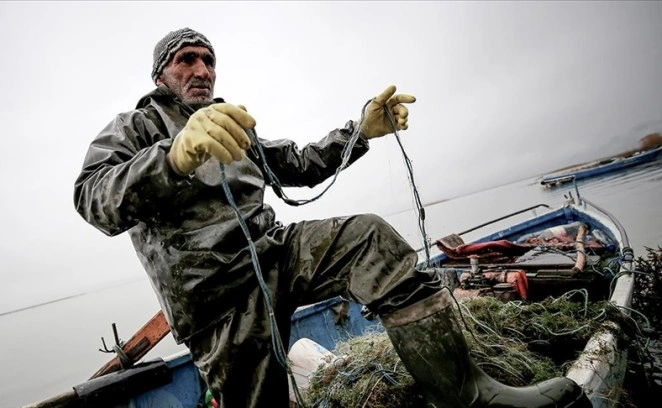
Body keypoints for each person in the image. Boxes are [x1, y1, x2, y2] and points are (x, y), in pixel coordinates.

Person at [74, 28, 591, 408]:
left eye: (209, 61)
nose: (203, 70)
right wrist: (172, 157)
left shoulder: (235, 123)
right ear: (162, 72)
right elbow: (93, 198)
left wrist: (360, 132)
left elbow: (300, 162)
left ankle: (469, 397)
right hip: (214, 300)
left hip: (274, 256)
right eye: (188, 59)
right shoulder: (135, 127)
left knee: (370, 240)